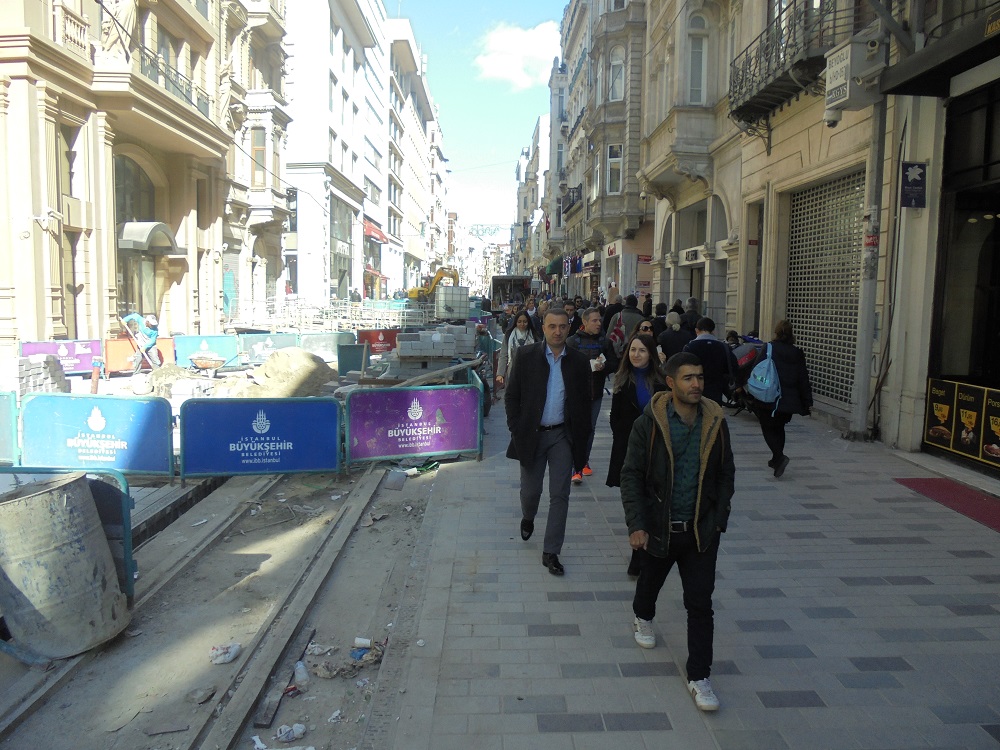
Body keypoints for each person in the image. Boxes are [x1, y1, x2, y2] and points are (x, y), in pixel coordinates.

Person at [620, 351, 735, 712]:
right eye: (688, 378)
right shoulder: (649, 424)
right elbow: (631, 475)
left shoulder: (715, 422)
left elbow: (726, 472)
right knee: (650, 583)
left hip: (700, 532)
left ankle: (700, 676)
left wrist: (717, 520)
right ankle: (642, 614)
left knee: (700, 604)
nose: (696, 384)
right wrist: (637, 524)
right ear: (671, 383)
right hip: (660, 527)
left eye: (699, 377)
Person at [505, 308, 593, 576]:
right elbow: (512, 396)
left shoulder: (578, 361)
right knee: (531, 491)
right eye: (552, 326)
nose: (557, 332)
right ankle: (528, 517)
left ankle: (551, 551)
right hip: (531, 435)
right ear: (542, 328)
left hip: (561, 437)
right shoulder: (526, 356)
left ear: (569, 328)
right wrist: (516, 429)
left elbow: (584, 402)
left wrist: (581, 438)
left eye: (562, 327)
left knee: (560, 494)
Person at [606, 331, 667, 576]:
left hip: (657, 449)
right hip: (629, 450)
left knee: (652, 502)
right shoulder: (622, 379)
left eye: (642, 350)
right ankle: (638, 550)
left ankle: (645, 550)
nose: (636, 355)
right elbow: (615, 418)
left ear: (651, 354)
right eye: (632, 350)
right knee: (635, 501)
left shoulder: (662, 382)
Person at [752, 319, 813, 478]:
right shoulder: (797, 352)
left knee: (767, 427)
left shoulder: (769, 348)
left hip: (770, 397)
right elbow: (803, 377)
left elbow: (757, 370)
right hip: (789, 399)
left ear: (776, 332)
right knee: (779, 428)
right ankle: (775, 458)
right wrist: (807, 401)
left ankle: (779, 457)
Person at [566, 307, 618, 483]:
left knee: (590, 429)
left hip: (595, 393)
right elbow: (565, 365)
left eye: (599, 320)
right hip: (576, 393)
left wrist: (604, 367)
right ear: (585, 322)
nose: (598, 323)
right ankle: (575, 463)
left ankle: (581, 464)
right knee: (576, 428)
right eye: (594, 320)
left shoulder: (605, 342)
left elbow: (614, 363)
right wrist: (585, 366)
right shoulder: (573, 342)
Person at [682, 317, 737, 405]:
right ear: (713, 330)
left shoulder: (690, 347)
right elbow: (733, 366)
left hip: (695, 389)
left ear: (697, 330)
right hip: (716, 390)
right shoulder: (723, 347)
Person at [496, 310, 536, 389]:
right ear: (515, 322)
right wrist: (500, 373)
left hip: (530, 374)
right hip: (512, 373)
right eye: (519, 322)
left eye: (525, 322)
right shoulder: (509, 336)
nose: (522, 324)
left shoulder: (534, 336)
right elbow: (503, 355)